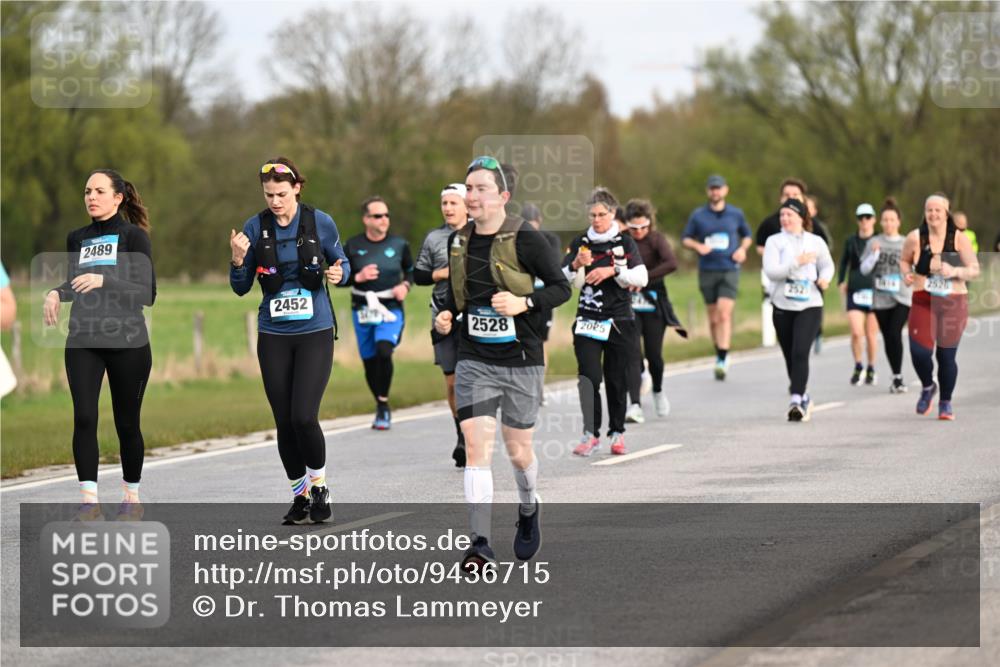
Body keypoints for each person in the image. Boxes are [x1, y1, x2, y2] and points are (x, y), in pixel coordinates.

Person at [434, 157, 570, 571]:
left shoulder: (526, 240)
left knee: (518, 452)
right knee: (476, 448)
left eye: (480, 190)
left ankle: (528, 507)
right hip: (474, 356)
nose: (471, 196)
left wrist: (524, 302)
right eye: (468, 189)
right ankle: (479, 544)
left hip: (521, 359)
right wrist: (447, 314)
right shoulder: (458, 242)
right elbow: (457, 297)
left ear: (503, 197)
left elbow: (562, 287)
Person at [230, 157, 349, 524]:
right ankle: (299, 496)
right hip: (274, 334)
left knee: (303, 416)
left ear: (297, 188)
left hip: (314, 332)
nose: (276, 202)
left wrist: (339, 271)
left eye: (282, 194)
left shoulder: (320, 222)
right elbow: (240, 288)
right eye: (269, 195)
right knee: (283, 421)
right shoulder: (255, 226)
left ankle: (320, 487)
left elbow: (342, 265)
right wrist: (236, 260)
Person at [42, 169, 155, 519]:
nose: (91, 196)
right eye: (87, 190)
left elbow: (147, 294)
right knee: (85, 417)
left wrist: (105, 279)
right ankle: (90, 503)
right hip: (83, 339)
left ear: (118, 197)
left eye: (99, 191)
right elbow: (77, 283)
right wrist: (56, 292)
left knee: (126, 423)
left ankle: (131, 499)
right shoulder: (77, 237)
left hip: (128, 342)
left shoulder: (135, 237)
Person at [563, 187, 648, 456]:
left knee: (616, 378)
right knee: (589, 376)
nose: (597, 220)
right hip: (588, 319)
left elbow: (641, 278)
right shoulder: (580, 242)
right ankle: (590, 434)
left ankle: (617, 433)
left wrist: (613, 270)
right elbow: (561, 277)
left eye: (602, 214)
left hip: (618, 319)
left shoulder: (624, 243)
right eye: (592, 215)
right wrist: (575, 264)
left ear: (612, 214)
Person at [900, 193, 979, 420]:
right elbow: (905, 260)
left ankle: (945, 402)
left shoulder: (959, 238)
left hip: (954, 301)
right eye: (929, 210)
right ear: (924, 213)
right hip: (924, 299)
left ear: (947, 213)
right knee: (919, 352)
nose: (933, 214)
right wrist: (906, 273)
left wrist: (954, 271)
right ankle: (927, 386)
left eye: (938, 210)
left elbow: (974, 269)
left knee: (945, 357)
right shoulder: (915, 238)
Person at [342, 197, 414, 430]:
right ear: (366, 219)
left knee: (384, 351)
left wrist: (405, 286)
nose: (384, 220)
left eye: (386, 215)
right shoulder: (351, 246)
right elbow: (338, 279)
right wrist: (357, 277)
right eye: (377, 216)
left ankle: (383, 404)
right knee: (370, 362)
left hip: (390, 309)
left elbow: (411, 272)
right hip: (362, 309)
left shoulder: (400, 244)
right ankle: (380, 402)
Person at [762, 198, 834, 422]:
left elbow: (827, 265)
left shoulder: (816, 241)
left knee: (801, 351)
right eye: (782, 215)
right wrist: (797, 262)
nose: (785, 219)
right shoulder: (774, 241)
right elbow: (772, 272)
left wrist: (825, 278)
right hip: (782, 305)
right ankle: (804, 394)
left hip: (810, 304)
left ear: (802, 218)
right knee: (790, 355)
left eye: (789, 215)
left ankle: (795, 400)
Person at [414, 183, 470, 467]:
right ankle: (461, 434)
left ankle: (473, 434)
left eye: (453, 203)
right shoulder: (435, 238)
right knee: (452, 383)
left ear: (466, 205)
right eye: (444, 203)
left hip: (472, 315)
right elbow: (419, 274)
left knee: (469, 378)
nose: (448, 208)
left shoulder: (479, 234)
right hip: (442, 315)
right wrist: (442, 273)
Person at [682, 174, 751, 380]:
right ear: (708, 191)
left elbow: (747, 236)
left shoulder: (736, 214)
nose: (715, 192)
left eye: (718, 188)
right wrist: (697, 246)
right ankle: (719, 350)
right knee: (713, 318)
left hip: (729, 268)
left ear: (725, 190)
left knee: (723, 314)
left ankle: (723, 357)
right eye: (712, 188)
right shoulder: (698, 215)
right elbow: (685, 238)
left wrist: (743, 249)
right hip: (707, 269)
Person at [623, 199, 685, 421]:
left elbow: (671, 263)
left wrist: (644, 279)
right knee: (632, 354)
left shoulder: (657, 240)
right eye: (634, 228)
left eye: (643, 227)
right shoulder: (623, 240)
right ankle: (635, 405)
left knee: (654, 355)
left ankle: (658, 389)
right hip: (629, 303)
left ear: (649, 224)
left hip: (653, 302)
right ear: (627, 225)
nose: (639, 232)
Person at [860, 197, 913, 394]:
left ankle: (898, 377)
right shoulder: (874, 242)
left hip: (902, 296)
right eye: (885, 220)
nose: (888, 223)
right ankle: (896, 375)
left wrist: (910, 276)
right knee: (888, 337)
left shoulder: (907, 242)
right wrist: (874, 256)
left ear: (898, 221)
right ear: (880, 222)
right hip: (880, 297)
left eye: (892, 220)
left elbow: (914, 267)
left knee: (894, 332)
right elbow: (864, 269)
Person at [756, 178, 810, 348]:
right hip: (778, 277)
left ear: (803, 198)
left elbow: (823, 250)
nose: (790, 197)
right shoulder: (771, 222)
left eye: (795, 194)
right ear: (780, 198)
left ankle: (811, 334)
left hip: (807, 279)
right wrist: (775, 258)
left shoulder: (811, 223)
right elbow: (759, 246)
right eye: (787, 195)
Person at [520, 203, 563, 407]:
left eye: (533, 224)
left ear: (539, 222)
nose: (530, 229)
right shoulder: (514, 239)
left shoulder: (550, 240)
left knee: (540, 343)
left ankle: (538, 388)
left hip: (543, 299)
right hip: (521, 299)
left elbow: (553, 265)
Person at [839, 203, 880, 386]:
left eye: (868, 217)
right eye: (861, 218)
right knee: (856, 332)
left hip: (875, 291)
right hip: (855, 290)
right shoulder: (851, 241)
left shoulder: (879, 240)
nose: (864, 221)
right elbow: (843, 263)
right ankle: (858, 365)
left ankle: (871, 367)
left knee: (871, 334)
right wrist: (841, 281)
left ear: (874, 219)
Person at [805, 195, 833, 354]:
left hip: (818, 275)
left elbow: (828, 245)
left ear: (814, 210)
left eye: (810, 208)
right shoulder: (796, 226)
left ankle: (818, 334)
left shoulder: (819, 227)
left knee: (816, 306)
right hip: (801, 276)